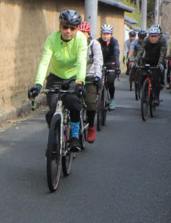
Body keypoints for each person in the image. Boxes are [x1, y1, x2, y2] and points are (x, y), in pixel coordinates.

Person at [27, 10, 88, 150]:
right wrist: (38, 83)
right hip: (55, 77)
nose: (68, 31)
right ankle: (54, 135)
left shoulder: (81, 39)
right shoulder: (52, 39)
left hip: (73, 77)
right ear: (60, 26)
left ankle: (74, 137)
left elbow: (81, 62)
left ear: (77, 29)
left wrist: (80, 82)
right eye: (65, 27)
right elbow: (44, 62)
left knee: (73, 103)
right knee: (53, 109)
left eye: (72, 28)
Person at [81, 20, 103, 142]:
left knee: (90, 102)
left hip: (90, 74)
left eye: (84, 32)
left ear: (88, 33)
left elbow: (98, 61)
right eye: (79, 32)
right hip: (76, 75)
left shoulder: (94, 44)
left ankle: (91, 127)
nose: (81, 35)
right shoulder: (74, 44)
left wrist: (97, 77)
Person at [135, 25, 168, 104]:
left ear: (159, 36)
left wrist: (160, 64)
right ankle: (144, 90)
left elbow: (162, 54)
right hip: (147, 60)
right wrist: (136, 61)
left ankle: (156, 97)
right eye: (151, 36)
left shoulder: (162, 42)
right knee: (142, 75)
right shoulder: (146, 41)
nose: (153, 38)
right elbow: (140, 51)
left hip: (157, 62)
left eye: (155, 36)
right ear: (148, 36)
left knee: (156, 80)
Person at [99, 24, 122, 110]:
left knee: (110, 82)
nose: (105, 36)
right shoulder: (98, 42)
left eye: (107, 34)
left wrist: (117, 66)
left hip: (111, 63)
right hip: (101, 62)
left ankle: (112, 98)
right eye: (104, 34)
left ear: (111, 35)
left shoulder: (114, 42)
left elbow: (116, 53)